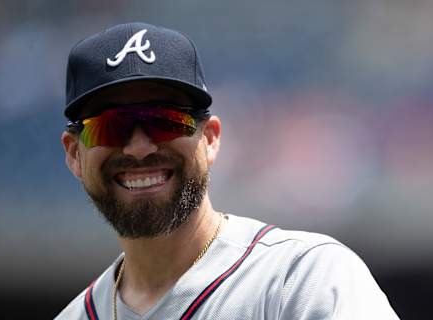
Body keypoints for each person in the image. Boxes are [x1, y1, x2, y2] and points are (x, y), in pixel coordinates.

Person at [55, 22, 399, 320]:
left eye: (165, 121)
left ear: (210, 139)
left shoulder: (302, 280)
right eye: (109, 127)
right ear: (74, 154)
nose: (140, 146)